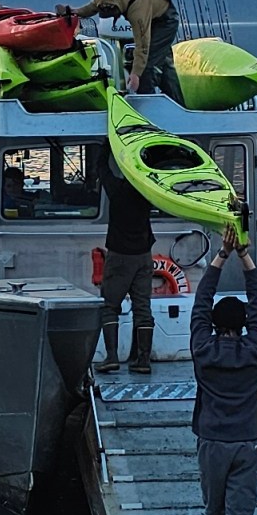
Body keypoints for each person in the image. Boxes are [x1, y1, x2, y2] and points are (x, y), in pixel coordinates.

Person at [189, 219, 257, 515]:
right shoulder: (255, 349)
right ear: (246, 325)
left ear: (215, 324)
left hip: (210, 443)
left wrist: (220, 256)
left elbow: (201, 302)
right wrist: (245, 256)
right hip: (246, 444)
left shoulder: (202, 348)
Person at [58, 0, 185, 104]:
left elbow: (143, 45)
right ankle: (178, 102)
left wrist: (136, 74)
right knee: (163, 62)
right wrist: (72, 12)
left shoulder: (137, 12)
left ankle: (146, 103)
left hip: (165, 21)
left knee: (147, 64)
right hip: (150, 15)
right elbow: (89, 9)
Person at [95, 152, 155, 374]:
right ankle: (143, 360)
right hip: (144, 256)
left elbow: (102, 167)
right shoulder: (148, 191)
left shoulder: (116, 190)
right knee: (143, 307)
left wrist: (108, 145)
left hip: (120, 256)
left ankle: (111, 357)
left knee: (109, 306)